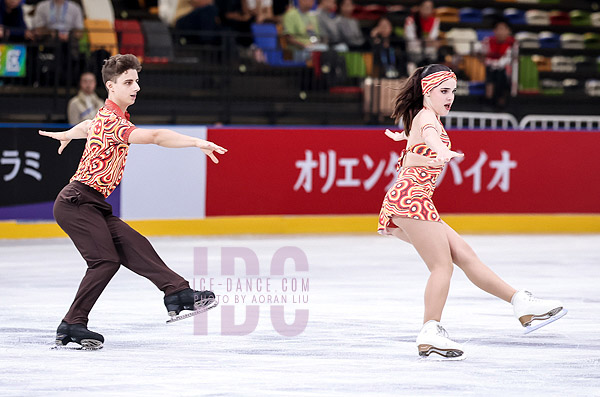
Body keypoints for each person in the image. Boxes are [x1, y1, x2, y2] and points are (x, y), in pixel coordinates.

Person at [378, 64, 567, 360]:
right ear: (427, 90)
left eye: (453, 91)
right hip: (411, 199)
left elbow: (419, 140)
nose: (450, 97)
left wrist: (407, 142)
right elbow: (428, 136)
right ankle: (430, 330)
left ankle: (521, 303)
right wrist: (438, 150)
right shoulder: (427, 119)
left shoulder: (424, 117)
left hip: (413, 200)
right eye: (443, 91)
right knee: (443, 266)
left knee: (465, 255)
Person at [39, 54, 227, 350]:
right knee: (105, 261)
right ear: (111, 86)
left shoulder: (106, 117)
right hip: (76, 201)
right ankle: (72, 324)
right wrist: (195, 142)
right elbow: (154, 136)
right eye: (128, 82)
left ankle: (177, 292)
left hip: (92, 203)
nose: (136, 87)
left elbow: (86, 127)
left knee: (134, 243)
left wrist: (67, 134)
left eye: (137, 81)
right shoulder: (114, 123)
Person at [483, 18, 514, 109]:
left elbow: (507, 60)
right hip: (491, 70)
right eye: (498, 29)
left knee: (501, 73)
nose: (500, 32)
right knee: (491, 72)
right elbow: (484, 56)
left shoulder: (513, 44)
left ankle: (500, 100)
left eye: (503, 29)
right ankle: (489, 99)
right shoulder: (488, 41)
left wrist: (495, 64)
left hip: (507, 73)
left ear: (508, 31)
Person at [404, 0, 439, 69]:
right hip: (414, 51)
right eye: (425, 7)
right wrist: (426, 42)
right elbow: (411, 40)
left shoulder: (435, 21)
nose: (427, 10)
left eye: (429, 8)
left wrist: (430, 42)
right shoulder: (410, 20)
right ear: (419, 8)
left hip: (429, 51)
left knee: (433, 53)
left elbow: (433, 38)